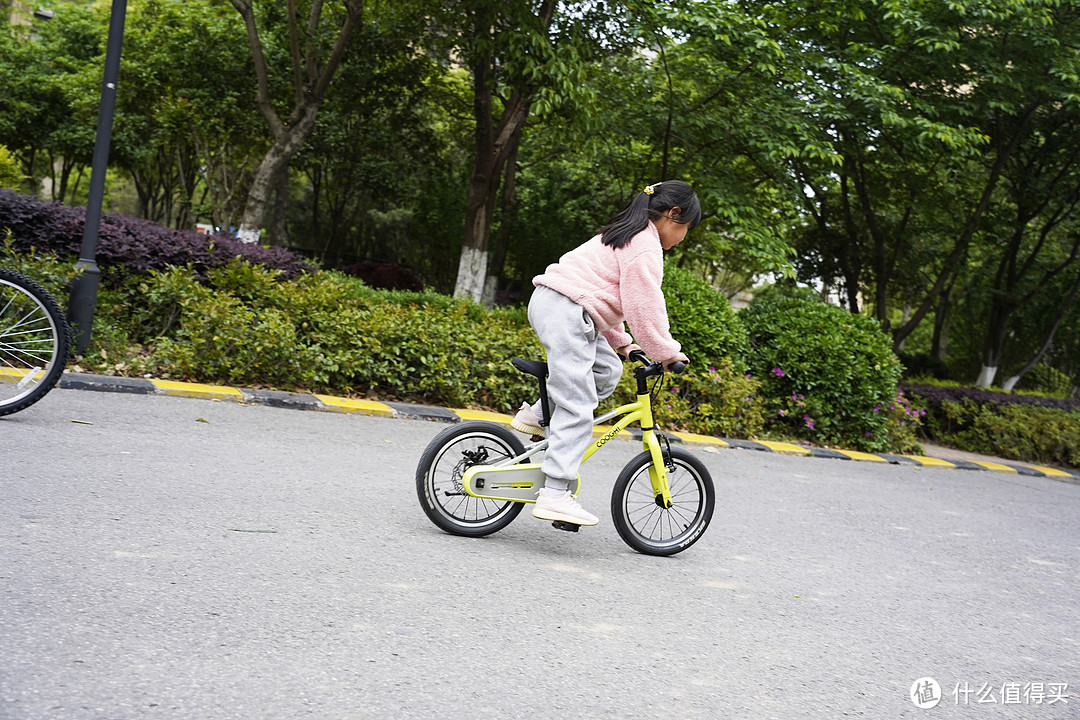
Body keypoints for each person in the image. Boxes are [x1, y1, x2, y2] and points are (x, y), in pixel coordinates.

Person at [510, 180, 700, 526]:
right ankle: (554, 494)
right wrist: (667, 352)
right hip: (567, 311)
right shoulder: (645, 246)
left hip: (561, 305)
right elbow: (643, 305)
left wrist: (625, 345)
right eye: (686, 229)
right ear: (674, 215)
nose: (683, 238)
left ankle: (537, 414)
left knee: (607, 370)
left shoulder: (625, 233)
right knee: (578, 404)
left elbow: (601, 299)